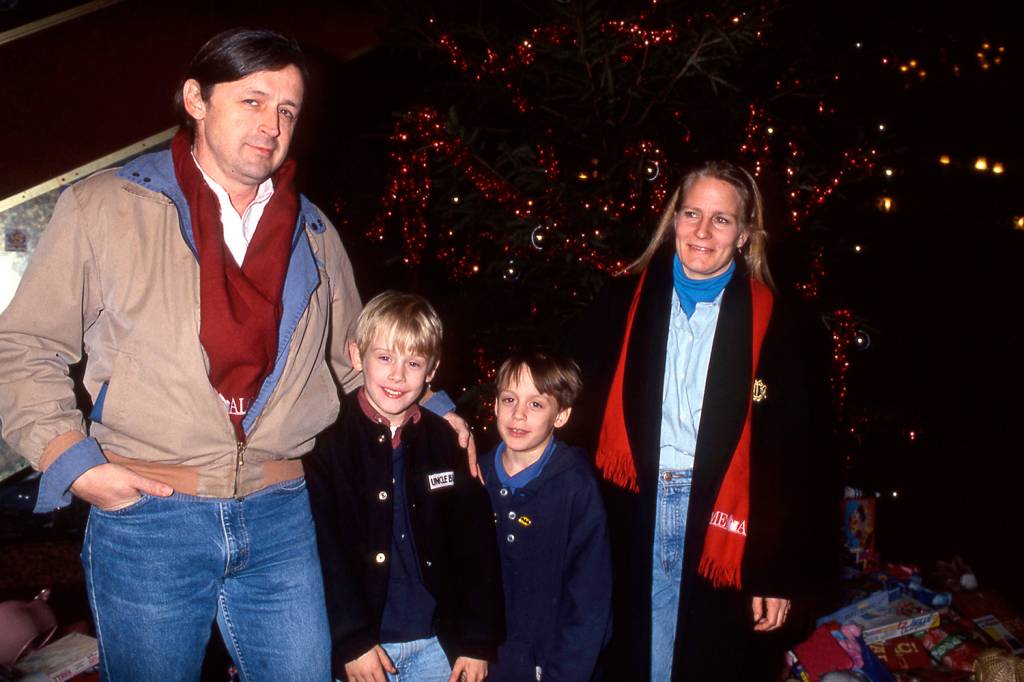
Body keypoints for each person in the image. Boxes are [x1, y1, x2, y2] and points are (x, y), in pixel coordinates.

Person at [0, 28, 469, 681]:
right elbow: (24, 345)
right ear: (196, 98)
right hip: (148, 513)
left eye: (287, 110)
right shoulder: (106, 207)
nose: (272, 124)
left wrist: (436, 405)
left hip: (282, 514)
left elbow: (356, 358)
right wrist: (71, 462)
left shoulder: (313, 230)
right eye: (252, 100)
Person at [566, 160, 836, 680]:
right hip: (628, 514)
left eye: (722, 219)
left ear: (745, 235)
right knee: (629, 657)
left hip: (725, 525)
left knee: (709, 662)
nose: (703, 232)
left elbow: (803, 461)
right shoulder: (619, 303)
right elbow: (563, 398)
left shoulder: (783, 327)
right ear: (673, 219)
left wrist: (780, 573)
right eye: (692, 213)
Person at [305, 291, 504, 682]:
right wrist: (351, 639)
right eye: (384, 358)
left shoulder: (447, 442)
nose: (397, 375)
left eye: (413, 363)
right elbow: (321, 549)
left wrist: (477, 640)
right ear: (356, 355)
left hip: (437, 648)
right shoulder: (324, 442)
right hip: (364, 651)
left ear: (432, 371)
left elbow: (476, 545)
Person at [480, 351, 612, 682]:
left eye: (536, 404)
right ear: (495, 405)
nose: (518, 414)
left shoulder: (576, 488)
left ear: (562, 415)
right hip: (483, 663)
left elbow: (590, 602)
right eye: (509, 399)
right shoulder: (475, 476)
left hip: (551, 667)